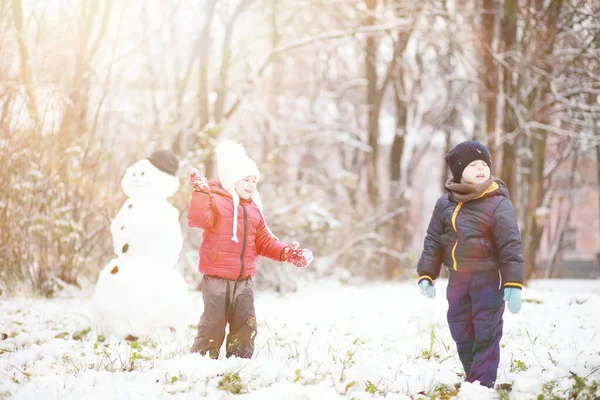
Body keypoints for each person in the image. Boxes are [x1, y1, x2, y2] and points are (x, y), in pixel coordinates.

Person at [187, 140, 313, 359]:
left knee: (246, 323)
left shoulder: (254, 209)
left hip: (244, 280)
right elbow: (198, 219)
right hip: (216, 278)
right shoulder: (215, 200)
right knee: (213, 323)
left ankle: (239, 360)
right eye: (246, 179)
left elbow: (264, 241)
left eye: (254, 180)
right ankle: (202, 360)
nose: (251, 185)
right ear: (231, 178)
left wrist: (287, 253)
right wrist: (200, 193)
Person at [416, 140, 524, 388]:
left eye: (484, 164)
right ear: (458, 171)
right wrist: (426, 275)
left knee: (486, 331)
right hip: (457, 279)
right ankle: (473, 378)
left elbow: (511, 245)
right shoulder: (445, 204)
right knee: (460, 330)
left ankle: (481, 385)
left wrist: (513, 282)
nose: (480, 169)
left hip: (487, 278)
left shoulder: (497, 203)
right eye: (472, 164)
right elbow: (434, 240)